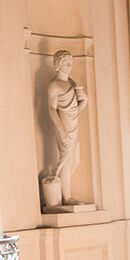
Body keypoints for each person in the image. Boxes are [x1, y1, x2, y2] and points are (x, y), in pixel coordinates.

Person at [46, 51, 89, 205]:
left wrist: (84, 101)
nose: (70, 65)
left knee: (75, 160)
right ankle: (67, 197)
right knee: (66, 159)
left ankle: (60, 187)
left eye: (71, 61)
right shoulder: (53, 85)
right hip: (63, 127)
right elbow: (51, 109)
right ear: (58, 64)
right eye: (67, 62)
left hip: (74, 126)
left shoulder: (72, 82)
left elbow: (74, 110)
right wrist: (61, 130)